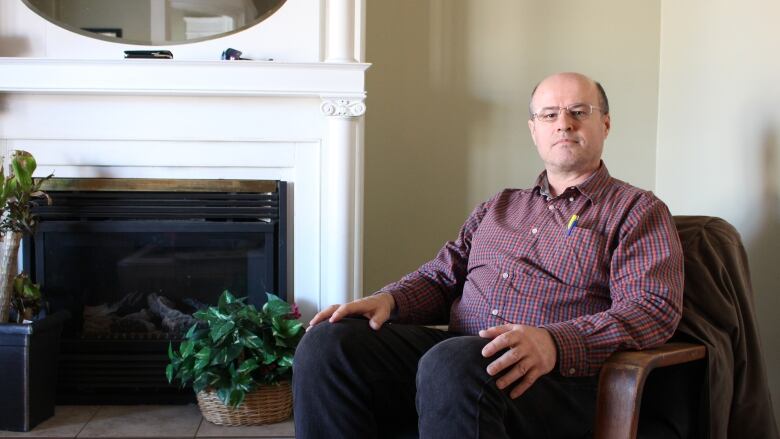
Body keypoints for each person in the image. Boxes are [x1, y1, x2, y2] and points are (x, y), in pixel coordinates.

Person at [293, 72, 685, 439]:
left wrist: (556, 342)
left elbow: (652, 308)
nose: (564, 123)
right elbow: (441, 277)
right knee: (329, 342)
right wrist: (388, 299)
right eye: (550, 115)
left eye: (579, 112)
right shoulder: (499, 206)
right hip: (459, 358)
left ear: (606, 125)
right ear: (534, 130)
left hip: (554, 378)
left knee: (452, 361)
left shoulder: (637, 210)